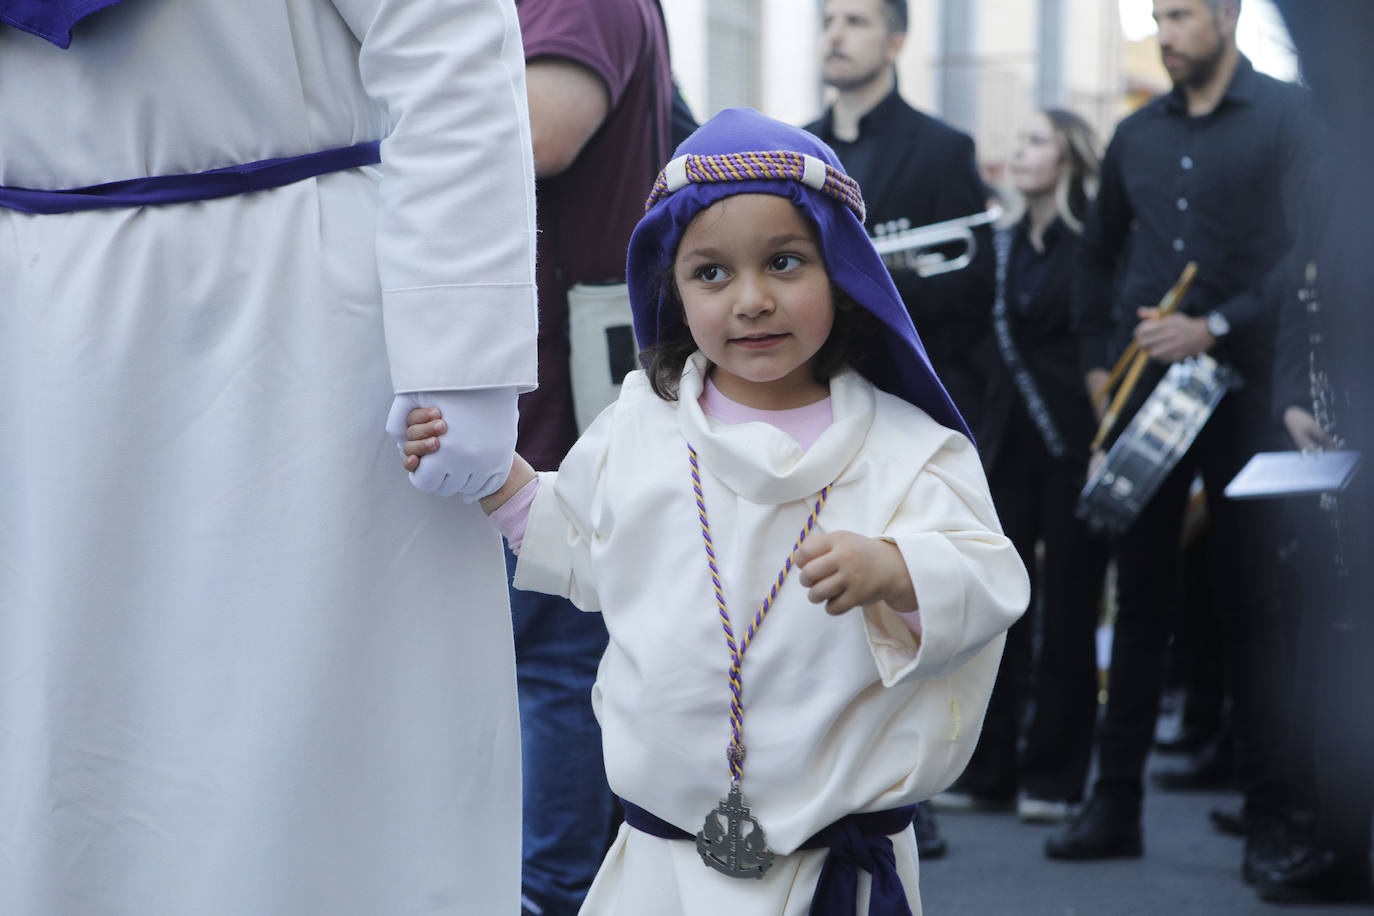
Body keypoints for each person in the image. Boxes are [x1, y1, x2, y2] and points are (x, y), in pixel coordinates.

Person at [400, 108, 1030, 915]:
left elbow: (988, 579)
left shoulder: (910, 450)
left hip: (825, 874)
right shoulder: (642, 423)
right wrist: (487, 467)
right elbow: (580, 543)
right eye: (712, 274)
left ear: (842, 270)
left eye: (785, 262)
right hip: (660, 864)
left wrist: (897, 570)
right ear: (673, 289)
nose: (752, 299)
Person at [0, 1, 537, 913]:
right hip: (32, 329)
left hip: (301, 327)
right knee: (54, 743)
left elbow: (442, 37)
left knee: (319, 786)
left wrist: (461, 347)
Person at [1045, 0, 1322, 884]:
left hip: (1246, 394)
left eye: (1182, 15)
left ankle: (1276, 815)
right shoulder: (1134, 136)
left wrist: (1217, 325)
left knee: (1255, 606)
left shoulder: (1287, 115)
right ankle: (1113, 803)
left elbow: (1309, 253)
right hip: (1145, 395)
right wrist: (1098, 373)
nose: (1165, 32)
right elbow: (1097, 258)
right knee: (1140, 602)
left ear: (1229, 16)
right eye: (1158, 16)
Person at [805, 0, 996, 856]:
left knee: (904, 600)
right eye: (827, 19)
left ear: (896, 39)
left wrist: (878, 283)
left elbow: (972, 293)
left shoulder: (944, 149)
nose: (836, 33)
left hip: (901, 416)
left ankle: (900, 792)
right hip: (808, 408)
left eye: (854, 19)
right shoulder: (793, 150)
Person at [510, 2, 673, 913]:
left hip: (555, 407)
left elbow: (540, 135)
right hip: (553, 395)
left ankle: (557, 898)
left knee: (556, 665)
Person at [937, 109, 1110, 823]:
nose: (1020, 151)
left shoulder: (1097, 242)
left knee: (1071, 608)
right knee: (998, 605)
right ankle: (991, 769)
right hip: (1006, 442)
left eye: (1037, 140)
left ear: (1070, 157)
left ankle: (1056, 777)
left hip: (1076, 441)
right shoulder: (998, 244)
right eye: (1020, 137)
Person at [1255, 2, 1374, 903]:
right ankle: (1335, 836)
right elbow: (1301, 290)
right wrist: (1294, 397)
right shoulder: (1332, 153)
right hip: (1334, 441)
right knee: (1331, 637)